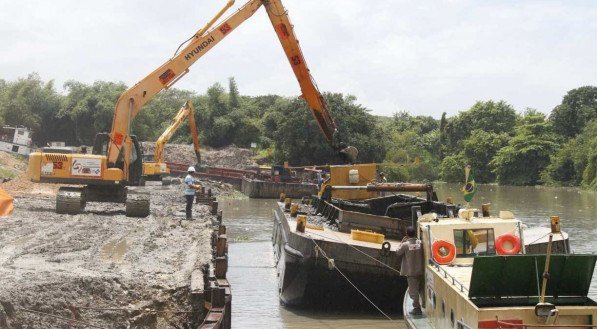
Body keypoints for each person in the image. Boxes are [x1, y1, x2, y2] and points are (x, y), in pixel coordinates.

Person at [396, 226, 425, 315]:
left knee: (413, 291)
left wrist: (402, 242)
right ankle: (424, 303)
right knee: (420, 288)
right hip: (420, 270)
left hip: (411, 271)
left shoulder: (405, 245)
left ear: (407, 234)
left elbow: (398, 252)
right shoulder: (420, 243)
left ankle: (417, 308)